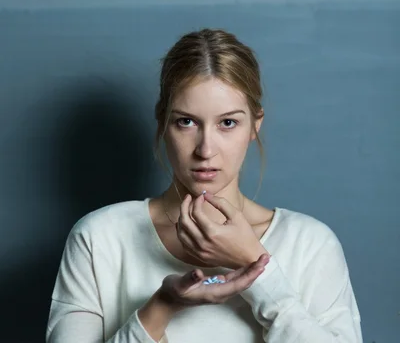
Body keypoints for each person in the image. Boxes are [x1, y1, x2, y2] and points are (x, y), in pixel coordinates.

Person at [46, 28, 363, 343]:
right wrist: (161, 308)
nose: (206, 149)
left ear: (255, 125)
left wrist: (257, 267)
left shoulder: (310, 245)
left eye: (228, 123)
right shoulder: (99, 238)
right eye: (186, 121)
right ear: (163, 123)